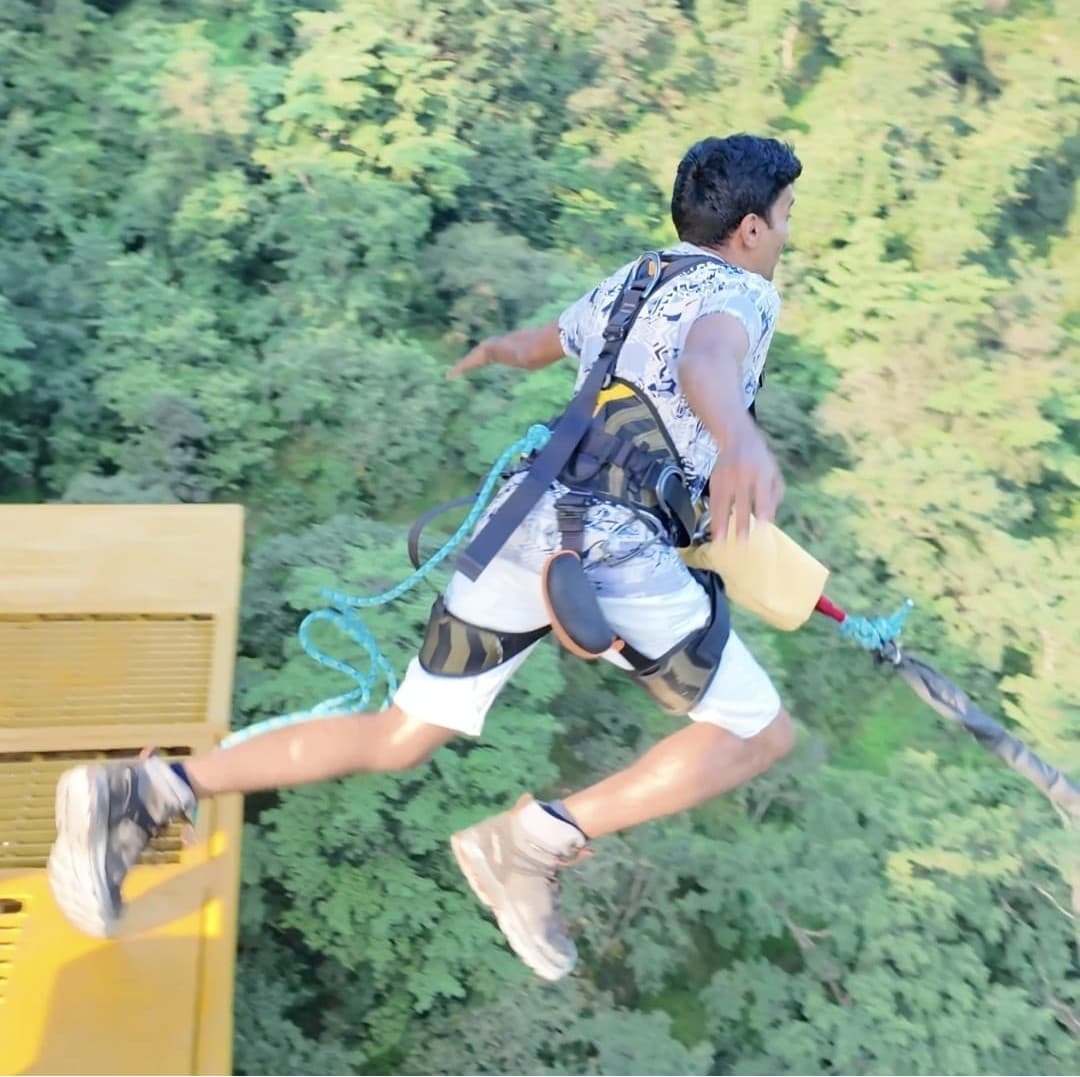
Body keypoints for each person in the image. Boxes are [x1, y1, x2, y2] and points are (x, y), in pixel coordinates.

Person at [48, 133, 802, 983]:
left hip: (526, 517)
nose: (783, 238)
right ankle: (531, 841)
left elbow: (539, 342)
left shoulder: (635, 278)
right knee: (756, 730)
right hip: (611, 545)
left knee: (404, 732)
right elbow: (707, 358)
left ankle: (148, 790)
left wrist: (491, 352)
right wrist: (738, 440)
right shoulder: (742, 294)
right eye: (782, 221)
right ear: (747, 229)